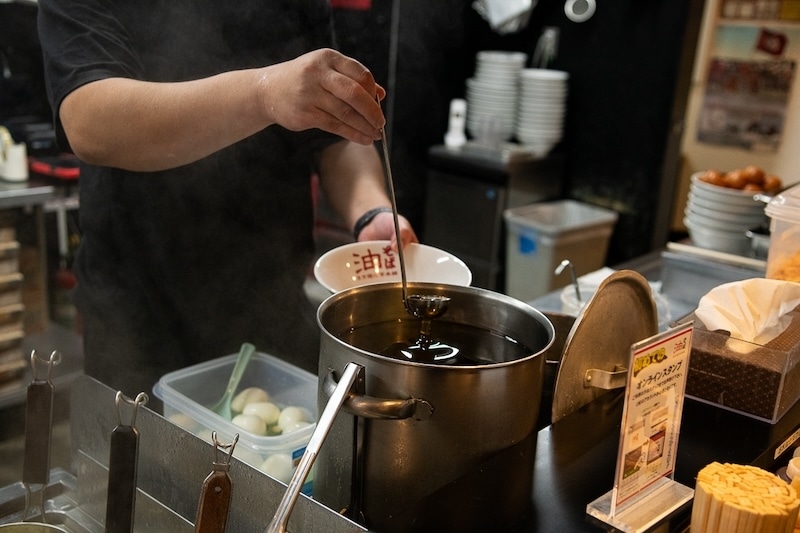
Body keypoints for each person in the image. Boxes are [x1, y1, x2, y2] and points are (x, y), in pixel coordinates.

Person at [36, 0, 417, 403]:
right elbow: (91, 122)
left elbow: (332, 132)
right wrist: (265, 94)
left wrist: (371, 210)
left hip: (273, 303)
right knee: (144, 461)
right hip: (138, 313)